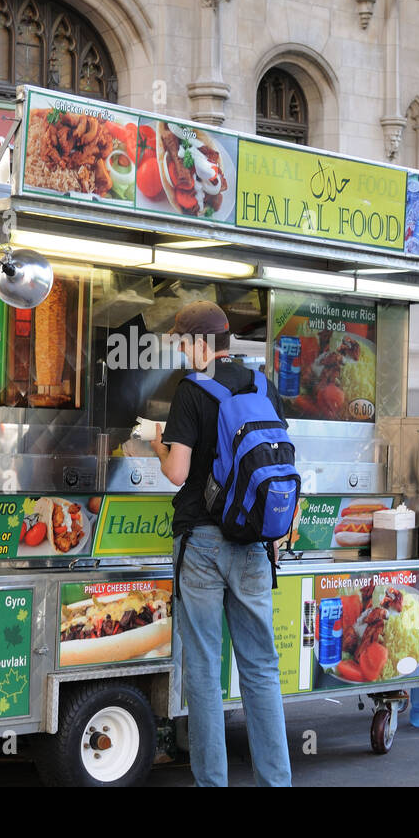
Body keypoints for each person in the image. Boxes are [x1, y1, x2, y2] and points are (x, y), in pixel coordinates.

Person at [149, 300, 292, 787]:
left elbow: (177, 472)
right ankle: (276, 781)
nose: (183, 352)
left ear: (202, 343)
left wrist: (155, 442)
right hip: (254, 546)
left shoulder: (191, 391)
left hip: (203, 546)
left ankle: (213, 782)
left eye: (184, 342)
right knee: (261, 670)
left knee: (206, 672)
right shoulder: (261, 384)